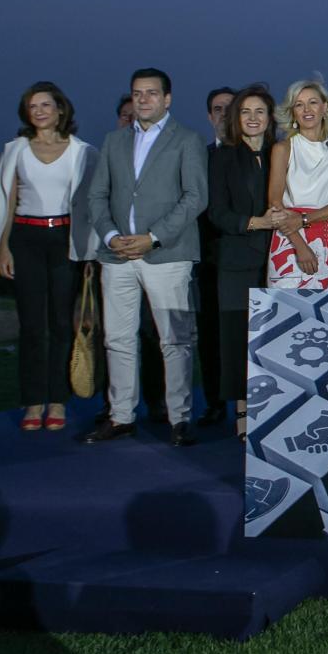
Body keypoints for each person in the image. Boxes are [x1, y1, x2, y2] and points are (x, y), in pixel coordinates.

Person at [83, 67, 208, 447]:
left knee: (175, 340)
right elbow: (96, 196)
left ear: (167, 99)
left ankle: (180, 418)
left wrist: (152, 238)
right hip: (117, 254)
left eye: (151, 93)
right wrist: (111, 235)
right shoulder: (113, 141)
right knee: (118, 339)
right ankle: (121, 416)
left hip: (166, 254)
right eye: (137, 93)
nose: (143, 99)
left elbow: (195, 198)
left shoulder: (187, 140)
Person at [0, 81, 100, 432]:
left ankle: (58, 400)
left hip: (65, 238)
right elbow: (6, 200)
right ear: (26, 113)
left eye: (46, 105)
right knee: (32, 325)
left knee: (62, 323)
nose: (40, 111)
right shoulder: (15, 149)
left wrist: (89, 249)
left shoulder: (82, 151)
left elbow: (90, 205)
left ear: (60, 109)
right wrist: (3, 247)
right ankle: (33, 401)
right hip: (25, 237)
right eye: (33, 106)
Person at [208, 85, 284, 439]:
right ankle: (243, 412)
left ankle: (278, 410)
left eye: (259, 112)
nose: (252, 118)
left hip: (279, 259)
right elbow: (217, 212)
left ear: (271, 118)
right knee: (239, 340)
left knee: (276, 338)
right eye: (245, 112)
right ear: (236, 119)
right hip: (237, 260)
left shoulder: (283, 153)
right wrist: (255, 223)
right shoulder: (223, 157)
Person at [267, 78, 328, 290]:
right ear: (293, 112)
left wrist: (304, 219)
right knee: (286, 315)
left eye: (313, 102)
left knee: (325, 316)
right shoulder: (283, 149)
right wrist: (299, 244)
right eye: (299, 104)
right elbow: (275, 204)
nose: (307, 109)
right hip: (289, 239)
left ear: (324, 107)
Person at [195, 86, 236, 429]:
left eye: (229, 109)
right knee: (210, 335)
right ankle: (213, 403)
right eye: (217, 109)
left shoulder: (259, 155)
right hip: (208, 258)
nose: (223, 115)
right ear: (210, 116)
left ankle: (246, 406)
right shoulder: (200, 156)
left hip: (246, 257)